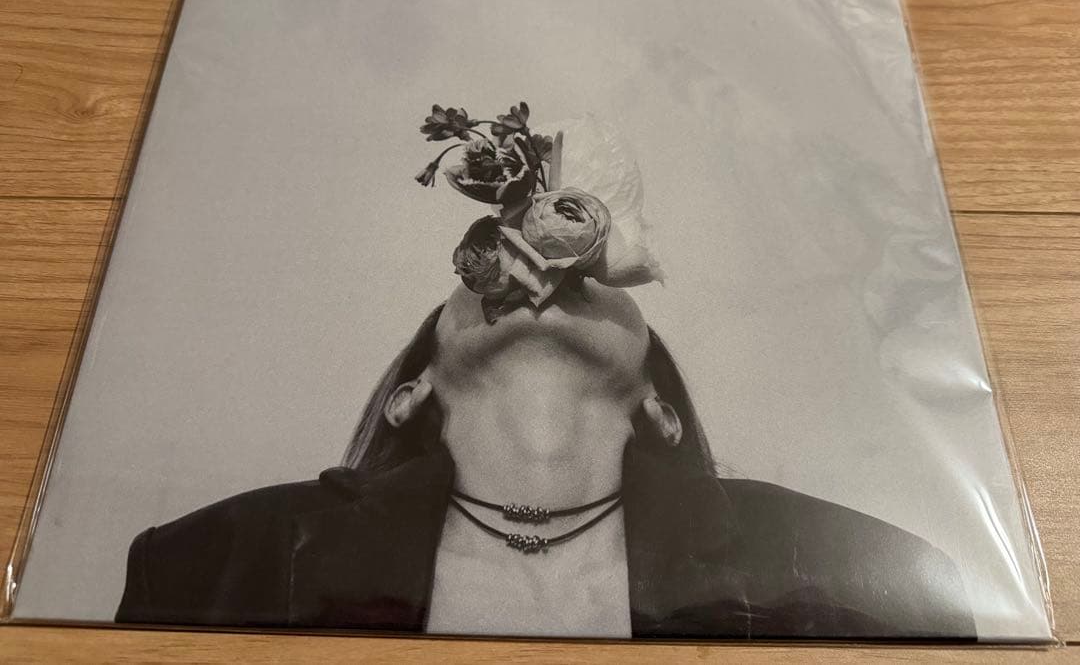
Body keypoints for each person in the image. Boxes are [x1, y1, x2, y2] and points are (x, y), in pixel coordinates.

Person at [115, 280, 975, 639]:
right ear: (411, 394)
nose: (543, 265)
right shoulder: (209, 563)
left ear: (659, 410)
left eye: (587, 276)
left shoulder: (861, 575)